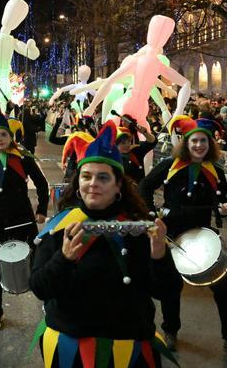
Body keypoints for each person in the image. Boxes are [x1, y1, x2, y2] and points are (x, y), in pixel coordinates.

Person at [30, 122, 176, 367]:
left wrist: (159, 255)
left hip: (129, 348)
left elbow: (166, 291)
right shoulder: (59, 227)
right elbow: (39, 287)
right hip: (72, 350)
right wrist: (63, 260)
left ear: (118, 185)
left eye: (103, 177)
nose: (93, 183)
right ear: (78, 183)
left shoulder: (138, 229)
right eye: (86, 176)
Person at [138, 116, 227, 361]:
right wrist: (151, 215)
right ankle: (170, 330)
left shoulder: (216, 171)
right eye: (194, 141)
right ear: (187, 143)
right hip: (173, 234)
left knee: (224, 287)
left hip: (203, 236)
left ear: (210, 143)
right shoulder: (172, 165)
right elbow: (145, 186)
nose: (199, 145)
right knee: (172, 288)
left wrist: (224, 207)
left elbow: (220, 199)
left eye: (203, 141)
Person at [0, 110, 49, 330]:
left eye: (4, 134)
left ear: (10, 136)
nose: (0, 139)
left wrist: (41, 209)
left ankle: (47, 302)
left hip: (23, 218)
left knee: (37, 263)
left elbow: (42, 184)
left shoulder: (22, 156)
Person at [116, 115, 157, 183]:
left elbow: (153, 142)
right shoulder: (112, 158)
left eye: (129, 141)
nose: (127, 145)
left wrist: (145, 133)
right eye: (123, 143)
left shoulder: (136, 151)